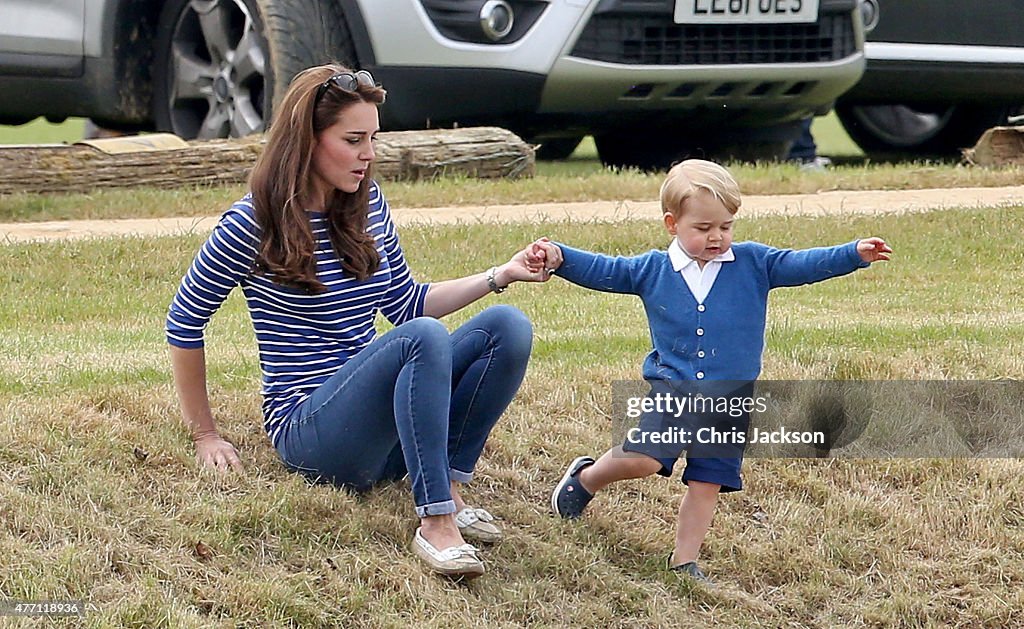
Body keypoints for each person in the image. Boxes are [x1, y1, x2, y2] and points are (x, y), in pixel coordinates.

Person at [165, 63, 553, 580]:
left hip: (383, 435)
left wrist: (500, 274)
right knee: (423, 340)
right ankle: (436, 524)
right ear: (308, 140)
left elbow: (408, 305)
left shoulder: (367, 203)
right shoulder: (251, 222)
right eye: (353, 140)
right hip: (312, 434)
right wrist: (205, 435)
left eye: (373, 138)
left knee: (506, 326)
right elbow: (184, 321)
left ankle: (450, 487)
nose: (368, 154)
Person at [535, 159, 891, 582]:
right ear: (672, 224)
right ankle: (588, 476)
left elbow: (802, 264)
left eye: (726, 226)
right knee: (645, 460)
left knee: (707, 482)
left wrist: (853, 254)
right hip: (674, 390)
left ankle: (684, 561)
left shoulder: (755, 263)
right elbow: (605, 270)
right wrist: (560, 257)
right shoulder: (651, 270)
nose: (717, 237)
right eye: (703, 229)